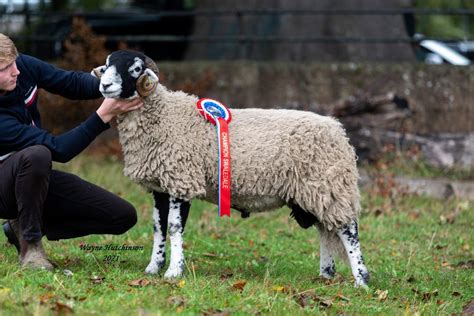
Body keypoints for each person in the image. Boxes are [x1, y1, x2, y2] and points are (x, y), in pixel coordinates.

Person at [0, 33, 142, 270]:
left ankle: (24, 225)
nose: (16, 71)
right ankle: (31, 250)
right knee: (38, 154)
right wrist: (104, 114)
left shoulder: (20, 67)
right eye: (6, 68)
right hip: (3, 188)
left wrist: (111, 82)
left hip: (32, 179)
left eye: (15, 62)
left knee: (122, 216)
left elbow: (70, 82)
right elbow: (59, 149)